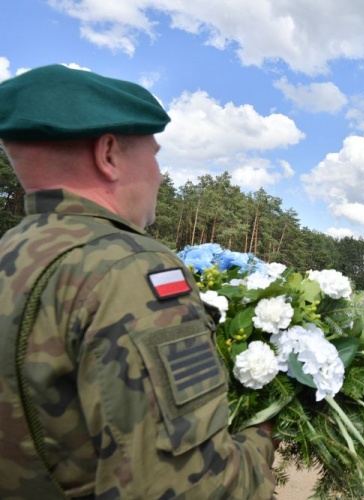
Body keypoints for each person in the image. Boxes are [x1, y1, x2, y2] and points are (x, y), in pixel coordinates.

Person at [0, 65, 275, 499]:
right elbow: (191, 487)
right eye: (155, 154)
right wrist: (265, 435)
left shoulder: (11, 254)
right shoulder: (131, 270)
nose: (161, 175)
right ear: (108, 154)